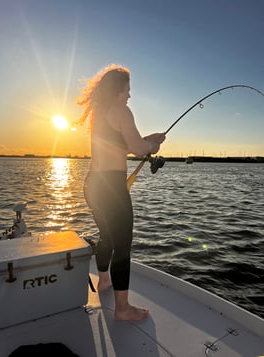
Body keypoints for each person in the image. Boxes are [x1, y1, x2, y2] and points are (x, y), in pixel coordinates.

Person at [77, 64, 165, 321]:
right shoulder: (122, 110)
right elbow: (138, 149)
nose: (129, 95)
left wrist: (147, 139)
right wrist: (153, 144)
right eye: (127, 89)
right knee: (122, 247)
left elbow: (119, 147)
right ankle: (123, 309)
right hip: (112, 188)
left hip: (93, 184)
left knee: (107, 237)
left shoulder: (100, 112)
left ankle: (103, 281)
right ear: (118, 90)